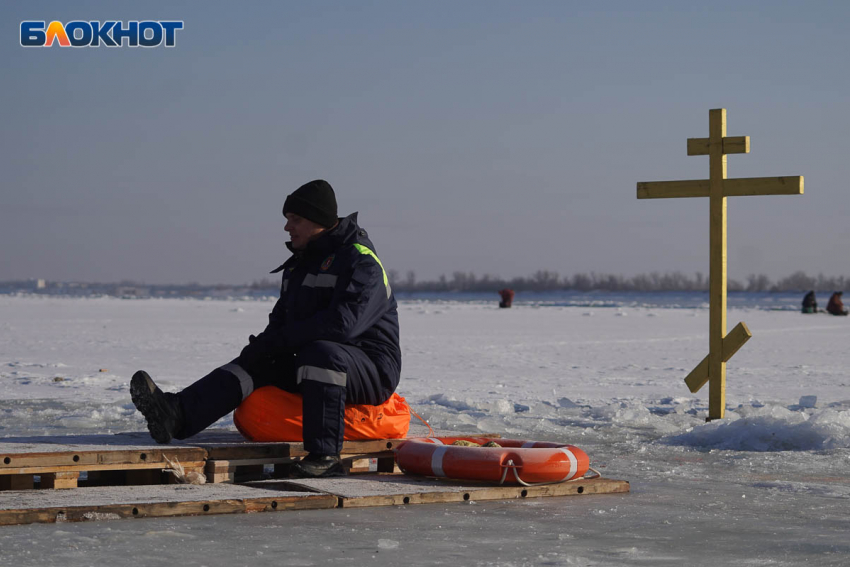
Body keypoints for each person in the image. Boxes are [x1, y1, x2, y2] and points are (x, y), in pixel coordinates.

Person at [130, 180, 402, 478]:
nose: (287, 227)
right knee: (260, 358)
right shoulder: (300, 266)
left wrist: (281, 341)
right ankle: (177, 414)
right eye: (287, 219)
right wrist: (260, 349)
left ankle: (325, 457)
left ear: (319, 220)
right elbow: (282, 323)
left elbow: (343, 326)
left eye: (294, 219)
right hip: (317, 356)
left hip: (372, 369)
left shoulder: (361, 261)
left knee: (322, 353)